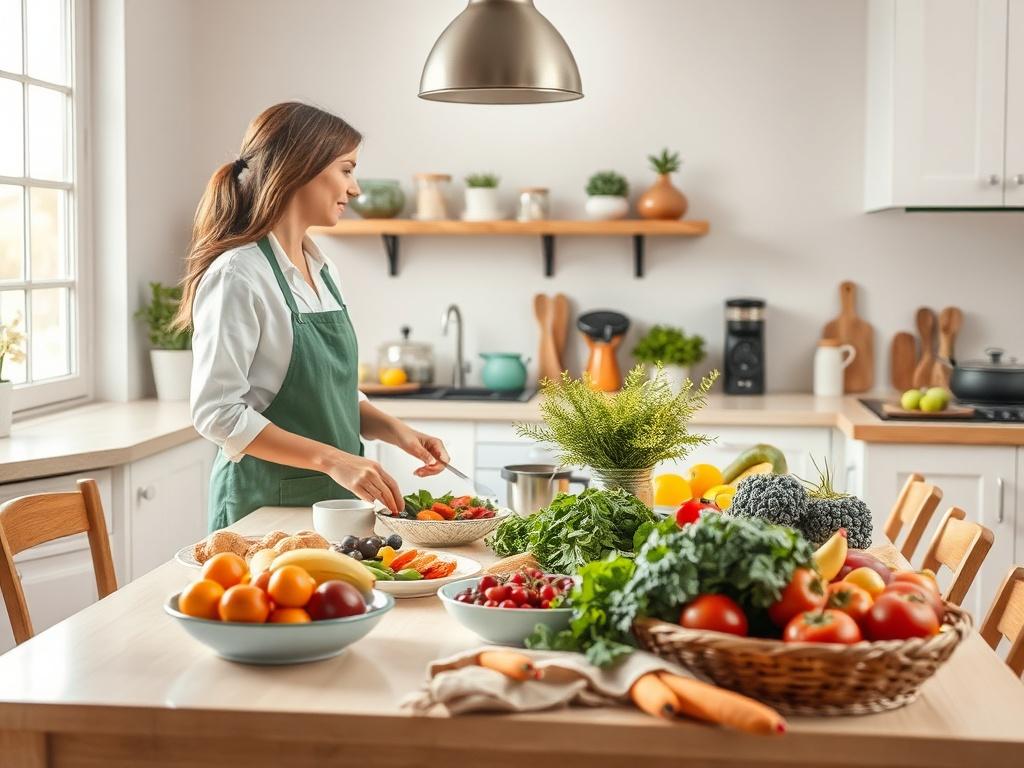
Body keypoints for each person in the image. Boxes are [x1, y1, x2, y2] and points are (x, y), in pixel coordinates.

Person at [173, 102, 448, 530]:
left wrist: (398, 432)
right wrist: (334, 460)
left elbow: (331, 397)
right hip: (264, 511)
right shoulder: (239, 275)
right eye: (347, 169)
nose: (354, 189)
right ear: (302, 167)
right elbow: (217, 413)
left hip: (335, 506)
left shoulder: (322, 269)